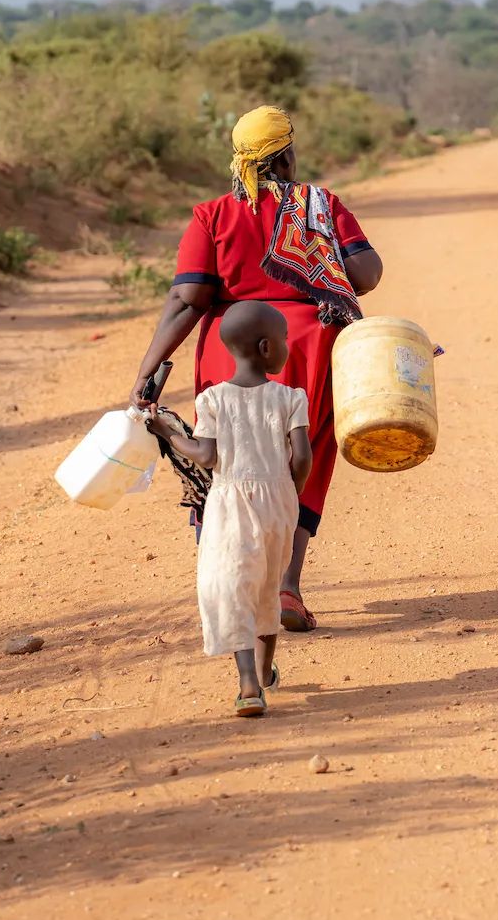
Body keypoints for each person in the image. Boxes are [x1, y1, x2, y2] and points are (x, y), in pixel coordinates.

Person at [127, 105, 383, 632]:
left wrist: (148, 370)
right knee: (301, 459)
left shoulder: (212, 215)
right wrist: (327, 253)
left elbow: (188, 298)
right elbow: (366, 275)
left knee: (224, 464)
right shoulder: (319, 205)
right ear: (287, 153)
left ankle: (234, 583)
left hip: (232, 350)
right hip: (308, 350)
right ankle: (286, 586)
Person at [145, 302, 311, 717]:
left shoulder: (213, 400)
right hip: (279, 501)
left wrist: (167, 430)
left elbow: (205, 454)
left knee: (235, 585)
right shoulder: (291, 398)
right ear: (266, 347)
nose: (288, 347)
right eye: (285, 341)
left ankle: (249, 684)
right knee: (268, 587)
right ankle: (265, 667)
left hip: (230, 502)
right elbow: (303, 457)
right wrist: (291, 492)